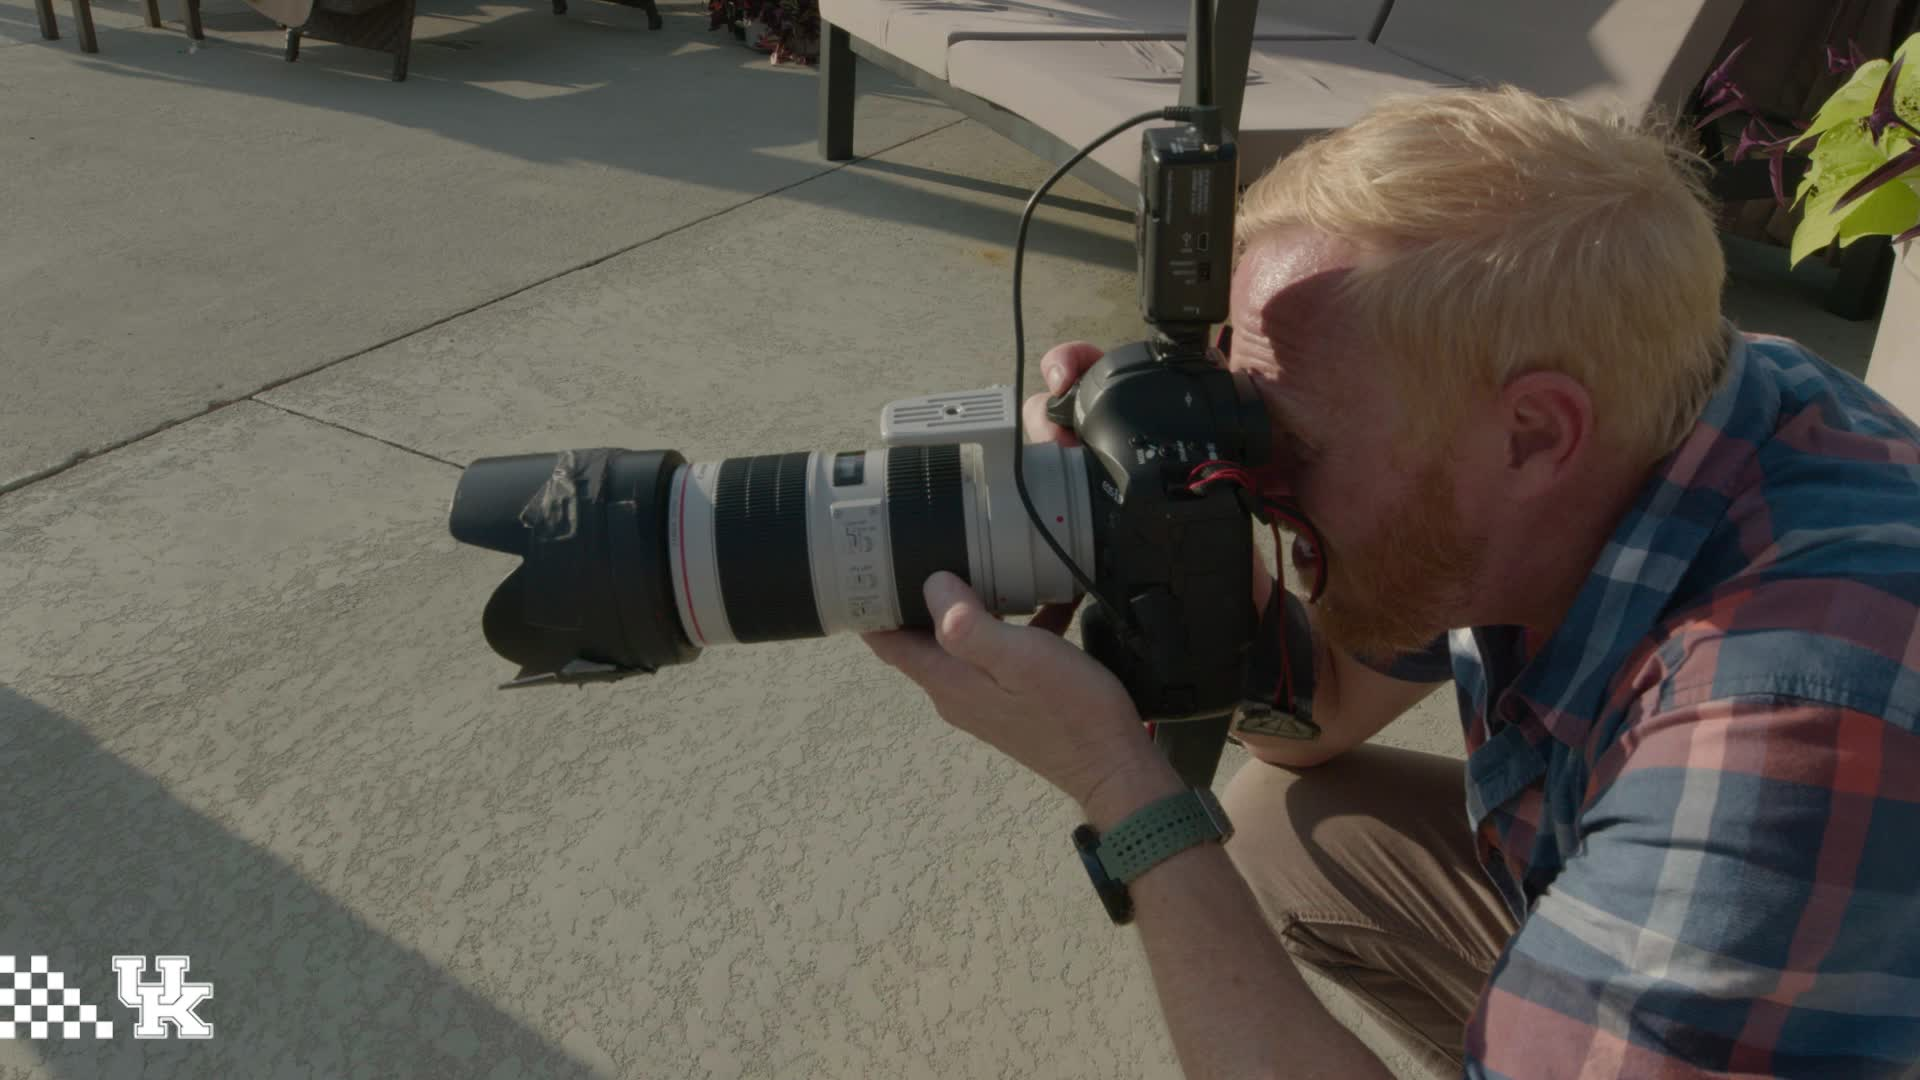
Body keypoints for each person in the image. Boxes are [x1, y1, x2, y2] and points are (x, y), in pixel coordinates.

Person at [862, 85, 1920, 1078]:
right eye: (1239, 401)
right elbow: (1314, 712)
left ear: (1534, 433)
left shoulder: (1781, 729)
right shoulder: (1654, 394)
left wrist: (1119, 786)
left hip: (1807, 906)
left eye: (1288, 437)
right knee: (1287, 833)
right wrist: (1165, 533)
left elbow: (1759, 770)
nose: (1256, 475)